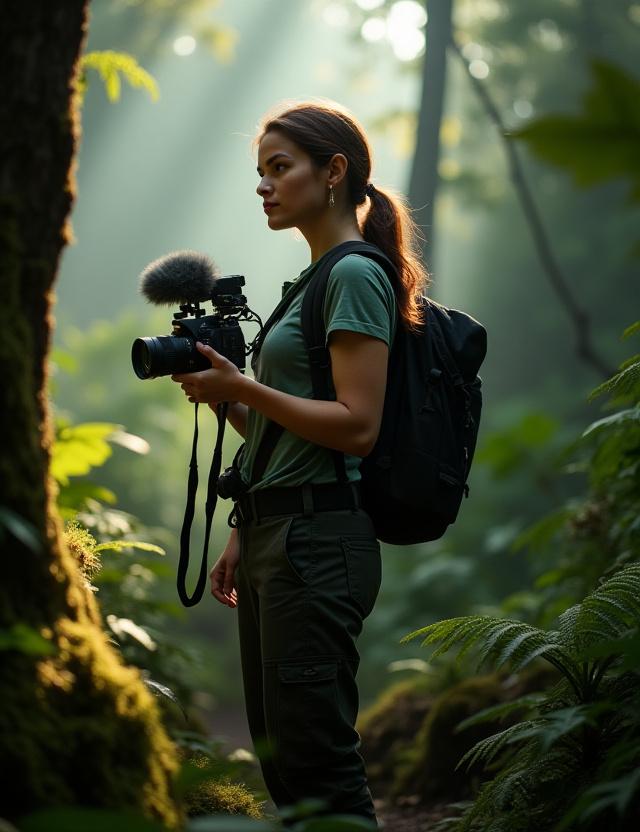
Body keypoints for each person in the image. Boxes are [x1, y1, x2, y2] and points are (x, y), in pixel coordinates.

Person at [171, 100, 428, 826]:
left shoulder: (353, 276)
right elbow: (281, 433)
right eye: (260, 173)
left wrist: (242, 384)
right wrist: (226, 404)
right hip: (277, 534)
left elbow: (356, 428)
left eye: (279, 168)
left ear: (334, 170)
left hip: (319, 544)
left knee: (316, 760)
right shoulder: (308, 284)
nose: (264, 185)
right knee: (281, 758)